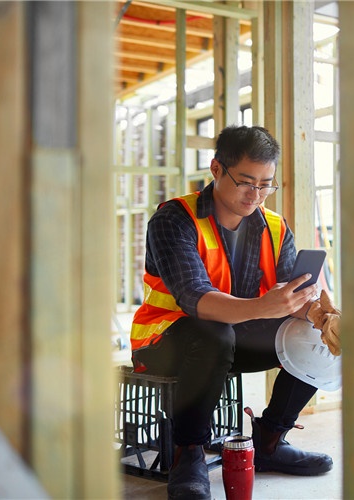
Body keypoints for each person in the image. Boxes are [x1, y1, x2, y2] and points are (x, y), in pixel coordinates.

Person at [130, 125, 338, 500]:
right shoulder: (175, 219)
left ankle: (271, 441)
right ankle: (188, 452)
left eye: (266, 185)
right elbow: (194, 297)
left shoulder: (274, 227)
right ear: (216, 170)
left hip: (231, 340)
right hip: (165, 342)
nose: (255, 194)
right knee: (214, 332)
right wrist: (264, 306)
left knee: (315, 338)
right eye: (245, 182)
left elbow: (287, 297)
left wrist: (316, 315)